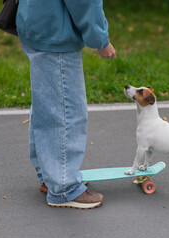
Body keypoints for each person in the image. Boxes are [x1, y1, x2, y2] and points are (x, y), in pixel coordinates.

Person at [16, 0, 116, 209]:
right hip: (56, 30)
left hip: (35, 22)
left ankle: (49, 175)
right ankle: (64, 187)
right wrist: (100, 39)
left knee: (47, 106)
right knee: (65, 112)